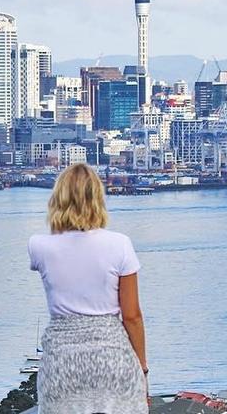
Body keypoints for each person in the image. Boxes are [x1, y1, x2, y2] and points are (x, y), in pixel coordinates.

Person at [28, 163, 148, 414]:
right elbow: (132, 316)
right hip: (112, 357)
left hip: (63, 360)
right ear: (98, 199)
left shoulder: (39, 246)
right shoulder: (120, 244)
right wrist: (143, 368)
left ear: (58, 199)